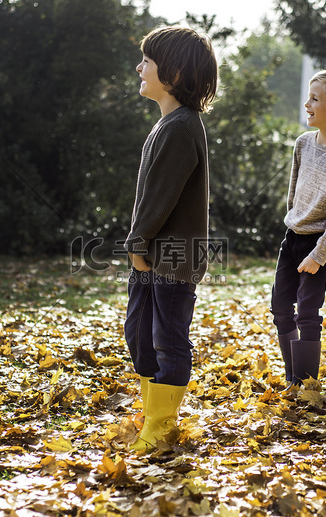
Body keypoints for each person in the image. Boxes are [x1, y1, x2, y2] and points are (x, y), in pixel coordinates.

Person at [122, 26, 218, 451]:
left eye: (148, 61)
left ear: (174, 73)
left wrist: (137, 244)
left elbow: (161, 196)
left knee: (167, 340)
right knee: (139, 335)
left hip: (170, 259)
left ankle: (160, 428)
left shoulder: (181, 127)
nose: (139, 67)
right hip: (154, 256)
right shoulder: (169, 124)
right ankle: (151, 415)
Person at [270, 68, 326, 389]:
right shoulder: (302, 144)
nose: (306, 104)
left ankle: (305, 382)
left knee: (307, 312)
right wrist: (294, 225)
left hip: (320, 245)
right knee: (280, 307)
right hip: (292, 238)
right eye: (307, 98)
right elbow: (292, 195)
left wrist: (319, 254)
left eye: (314, 99)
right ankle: (291, 378)